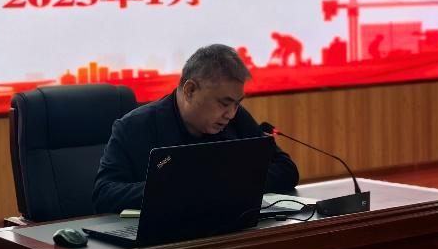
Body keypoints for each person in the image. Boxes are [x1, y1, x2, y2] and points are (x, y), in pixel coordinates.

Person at [92, 44, 300, 213]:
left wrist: (227, 183)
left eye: (237, 104)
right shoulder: (135, 127)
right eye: (224, 103)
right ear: (190, 90)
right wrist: (177, 188)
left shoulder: (236, 119)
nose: (231, 113)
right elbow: (104, 195)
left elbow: (286, 170)